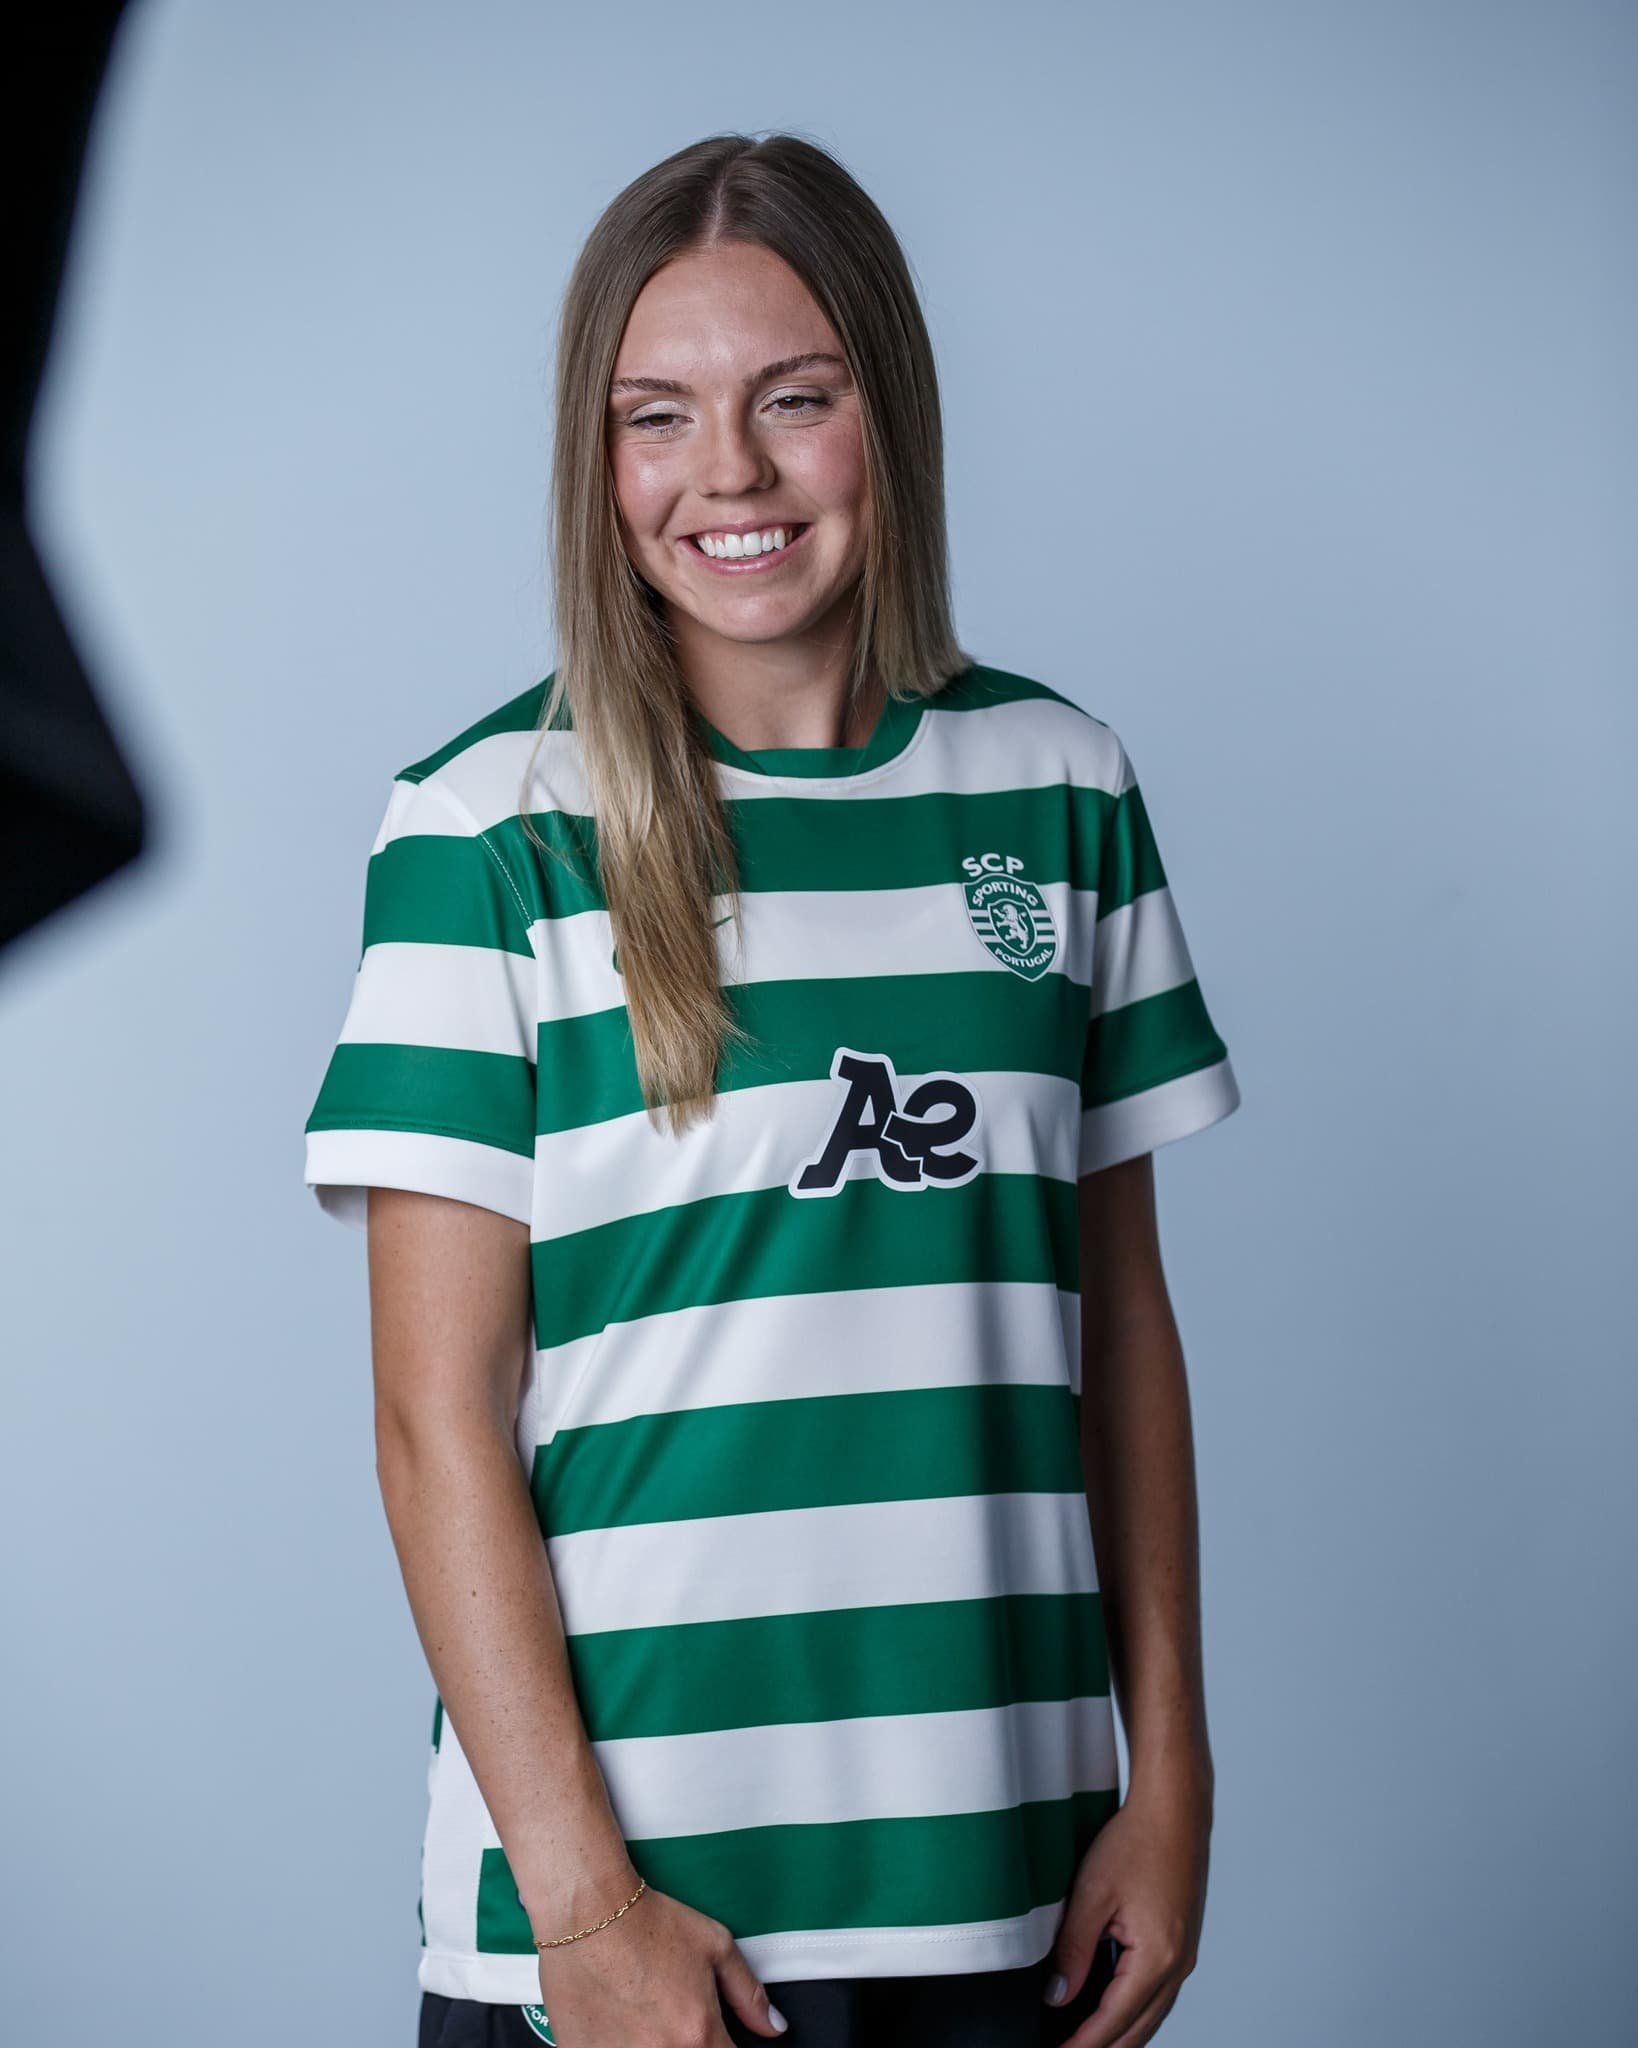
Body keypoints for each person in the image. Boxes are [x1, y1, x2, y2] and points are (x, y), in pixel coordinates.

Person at [303, 130, 1241, 2048]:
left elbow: (1121, 1331)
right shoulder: (484, 828)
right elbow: (432, 1416)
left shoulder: (1060, 786)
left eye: (792, 400)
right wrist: (586, 1906)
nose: (725, 473)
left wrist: (1171, 1786)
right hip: (638, 1924)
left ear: (888, 413)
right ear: (596, 458)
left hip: (1009, 1886)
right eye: (655, 416)